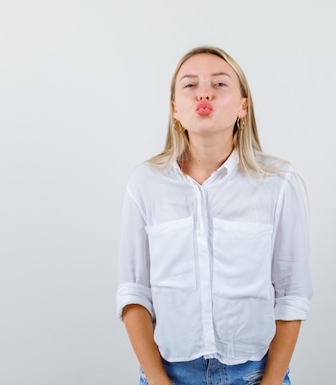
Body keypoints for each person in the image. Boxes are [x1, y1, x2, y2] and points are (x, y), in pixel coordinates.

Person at [116, 46, 313, 385]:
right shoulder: (145, 183)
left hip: (254, 375)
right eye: (190, 85)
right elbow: (133, 293)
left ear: (243, 106)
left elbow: (292, 295)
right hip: (169, 375)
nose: (204, 92)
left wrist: (272, 381)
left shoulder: (279, 183)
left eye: (220, 84)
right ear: (175, 110)